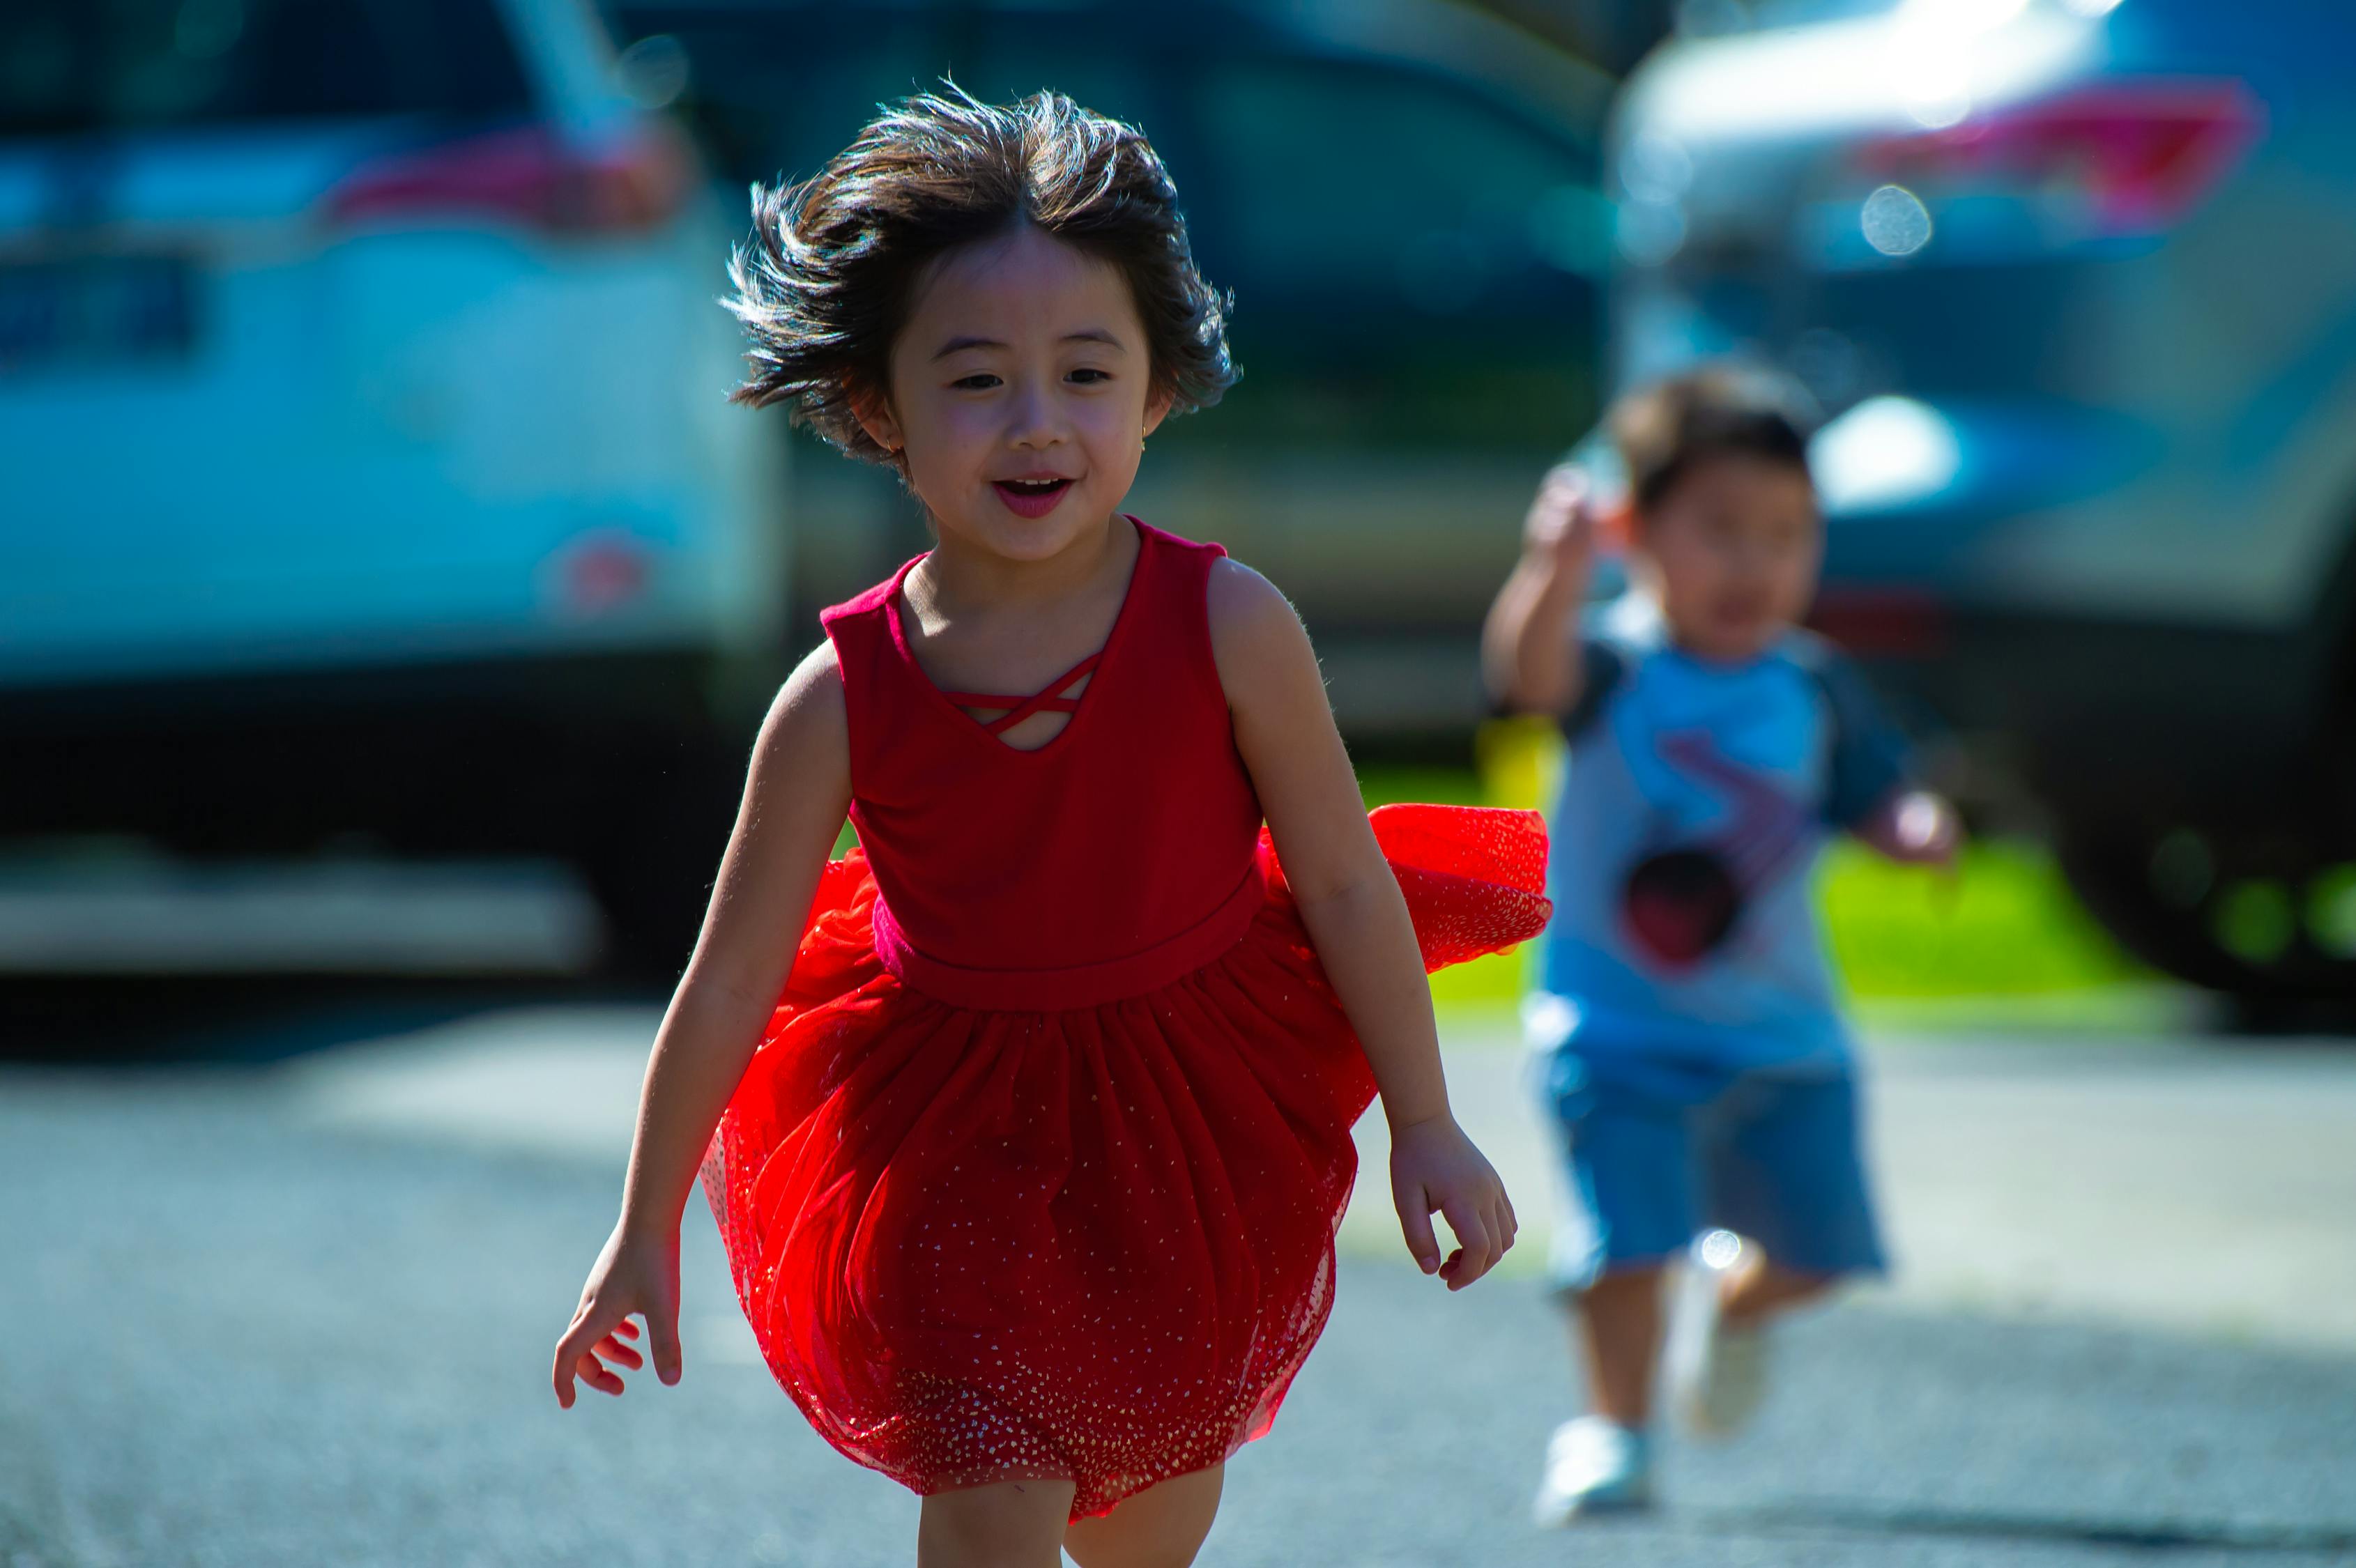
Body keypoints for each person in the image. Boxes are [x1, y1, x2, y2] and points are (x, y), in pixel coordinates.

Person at [549, 86, 1551, 1568]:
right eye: (975, 381)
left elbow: (1342, 887)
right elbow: (725, 987)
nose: (1036, 424)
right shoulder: (839, 697)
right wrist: (641, 1231)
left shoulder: (1229, 626)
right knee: (990, 1495)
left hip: (1181, 1127)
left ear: (1156, 390)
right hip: (939, 1135)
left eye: (1085, 374)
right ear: (879, 406)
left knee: (1141, 1530)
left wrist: (1426, 1124)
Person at [1482, 366, 1959, 1525]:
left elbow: (1872, 791)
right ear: (1638, 531)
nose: (1755, 565)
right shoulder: (1613, 666)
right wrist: (1554, 564)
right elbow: (1523, 680)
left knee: (1823, 1253)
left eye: (1787, 535)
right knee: (1621, 1244)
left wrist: (1913, 826)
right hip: (1617, 1025)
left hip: (1782, 1031)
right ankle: (1614, 1429)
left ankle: (1741, 1299)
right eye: (1722, 531)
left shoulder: (1813, 684)